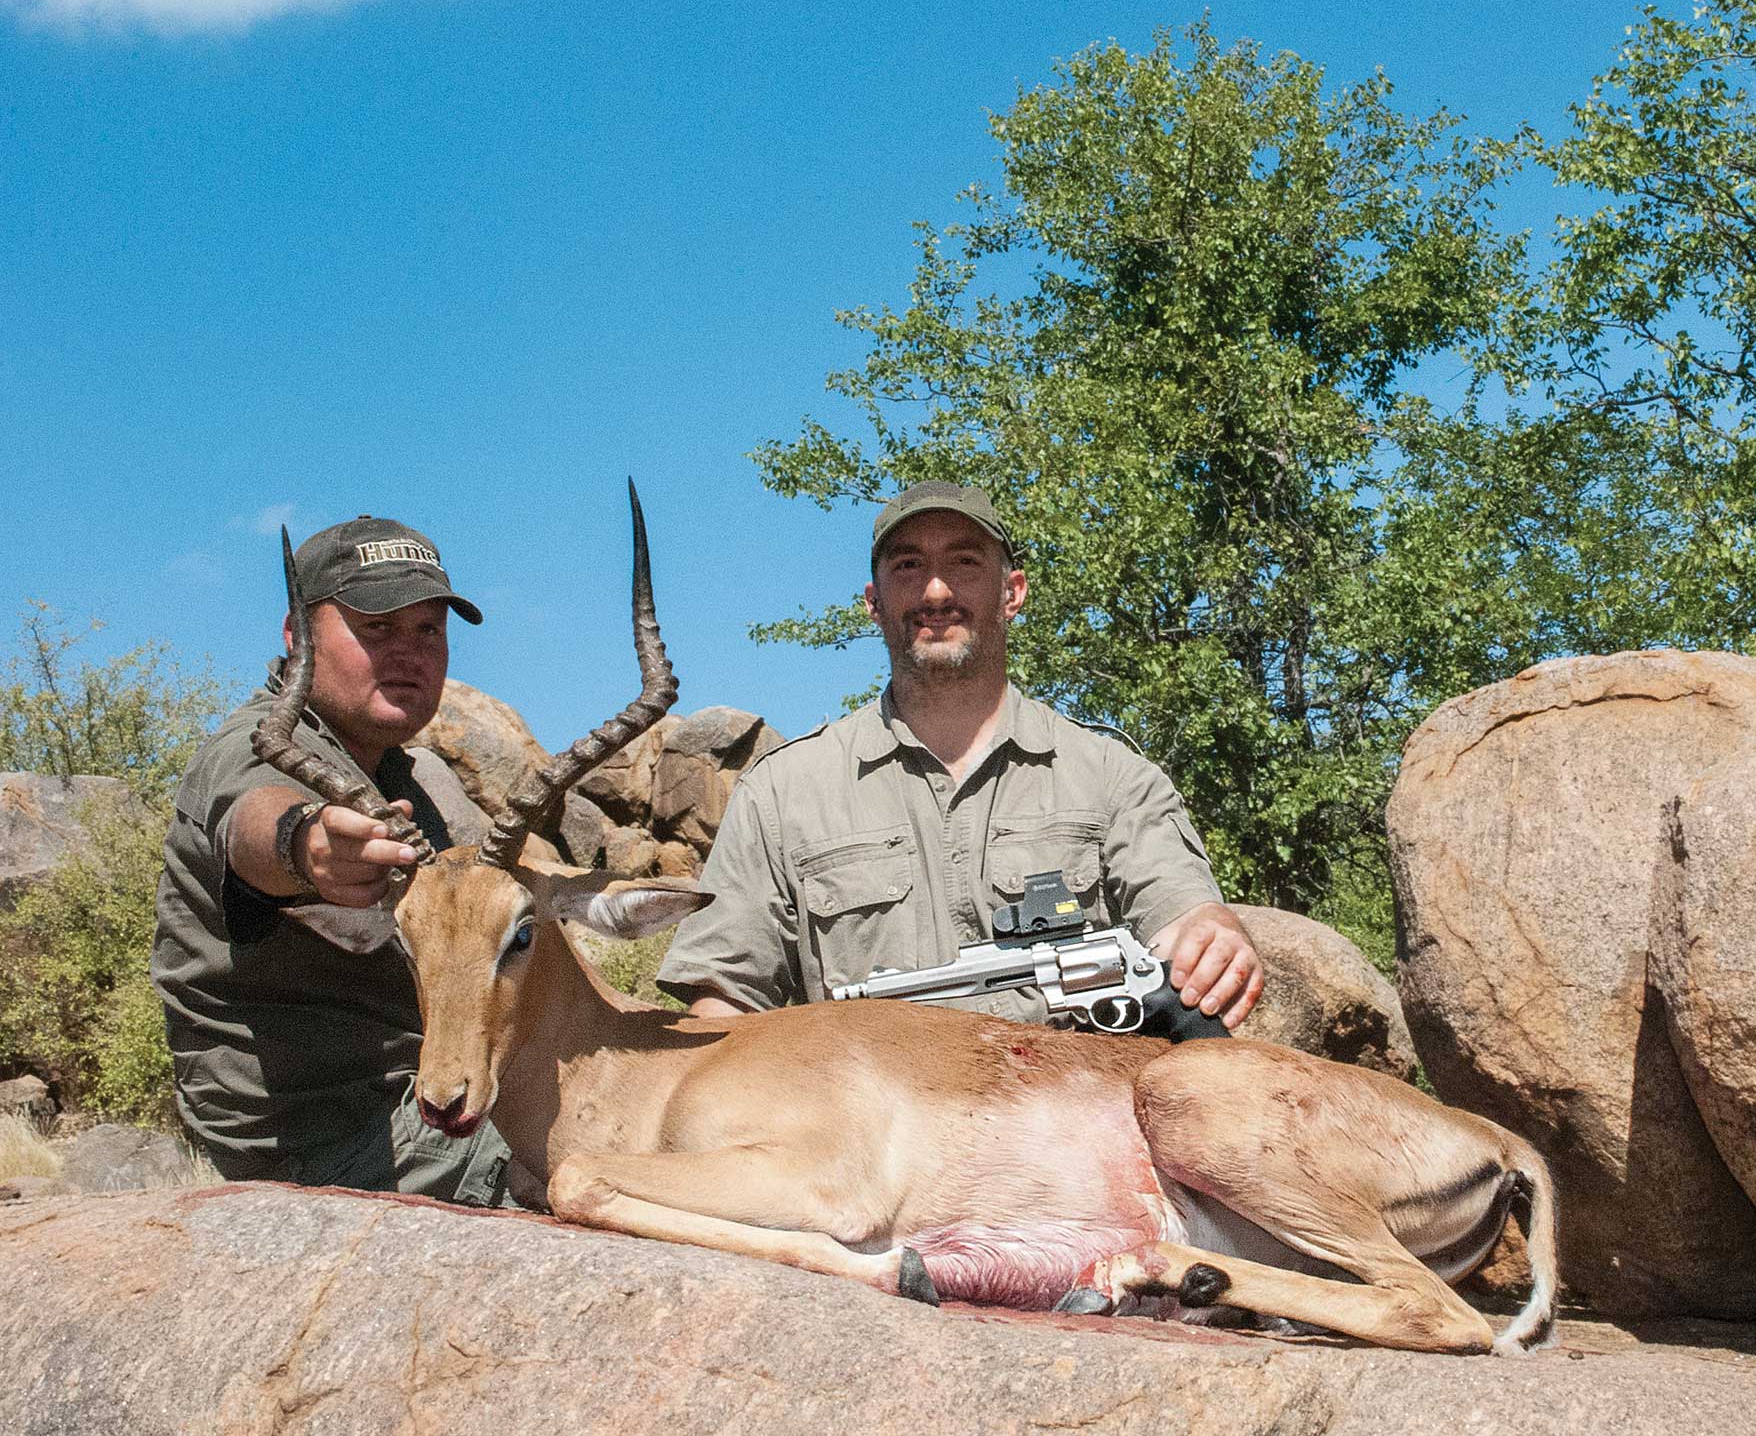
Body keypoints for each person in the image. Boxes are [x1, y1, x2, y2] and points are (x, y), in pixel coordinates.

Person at [657, 481, 1264, 1030]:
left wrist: (1211, 936)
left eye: (964, 563)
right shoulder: (781, 792)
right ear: (873, 601)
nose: (936, 589)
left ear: (1012, 592)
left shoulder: (1113, 777)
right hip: (873, 1138)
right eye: (908, 566)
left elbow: (1186, 923)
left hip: (1075, 1129)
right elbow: (723, 1004)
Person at [151, 516, 522, 1206]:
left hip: (415, 1102)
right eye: (376, 628)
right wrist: (305, 842)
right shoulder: (264, 741)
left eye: (428, 631)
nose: (408, 653)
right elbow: (254, 822)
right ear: (297, 638)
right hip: (328, 1136)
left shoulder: (398, 777)